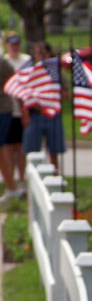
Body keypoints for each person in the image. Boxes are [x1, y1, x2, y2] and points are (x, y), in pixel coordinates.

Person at [22, 41, 67, 172]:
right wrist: (25, 113)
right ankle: (30, 177)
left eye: (42, 52)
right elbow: (22, 94)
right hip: (35, 114)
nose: (39, 55)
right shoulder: (30, 71)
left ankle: (55, 175)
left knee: (54, 150)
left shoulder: (56, 71)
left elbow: (66, 94)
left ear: (48, 53)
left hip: (53, 114)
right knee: (31, 150)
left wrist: (51, 91)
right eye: (37, 53)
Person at [4, 31, 31, 194]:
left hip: (22, 110)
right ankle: (10, 181)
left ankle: (21, 180)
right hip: (7, 110)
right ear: (6, 45)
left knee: (21, 148)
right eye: (11, 44)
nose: (14, 47)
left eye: (17, 44)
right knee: (7, 147)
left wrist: (26, 110)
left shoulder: (26, 60)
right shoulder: (4, 61)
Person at [0, 55, 23, 203]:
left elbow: (16, 83)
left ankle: (12, 188)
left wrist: (23, 109)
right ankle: (11, 188)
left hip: (2, 109)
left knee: (2, 149)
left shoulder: (2, 63)